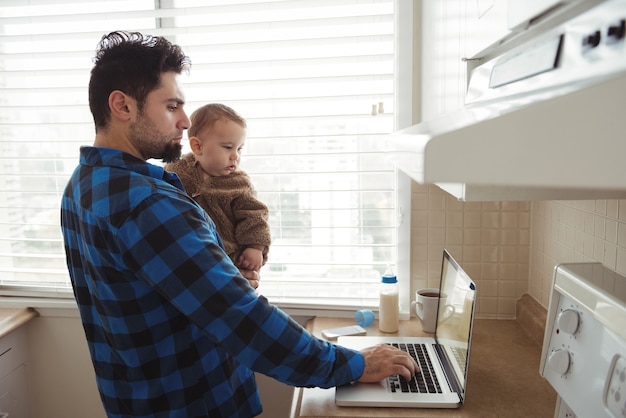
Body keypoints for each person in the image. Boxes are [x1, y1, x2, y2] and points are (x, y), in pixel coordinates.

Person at [60, 31, 418, 418]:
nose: (184, 121)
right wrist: (352, 365)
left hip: (135, 400)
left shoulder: (82, 186)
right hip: (196, 403)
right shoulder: (148, 204)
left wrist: (219, 272)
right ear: (121, 105)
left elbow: (144, 289)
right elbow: (240, 318)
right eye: (171, 106)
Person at [165, 103, 270, 271]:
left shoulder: (239, 183)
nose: (235, 156)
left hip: (229, 259)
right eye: (228, 147)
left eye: (239, 149)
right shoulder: (176, 171)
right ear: (198, 146)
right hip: (189, 255)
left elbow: (255, 215)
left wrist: (255, 247)